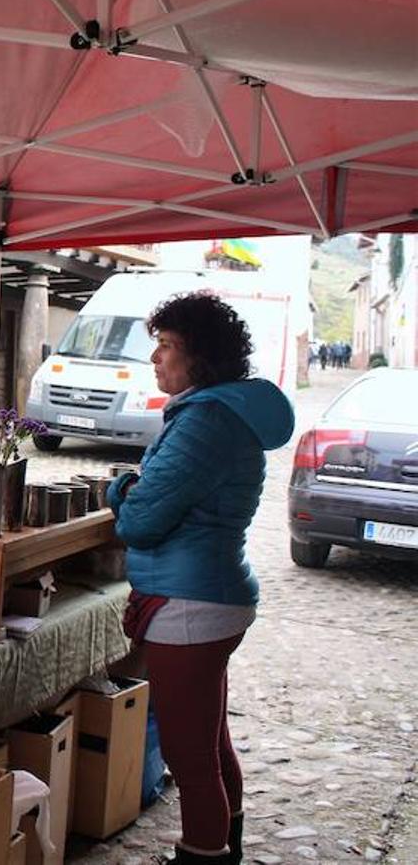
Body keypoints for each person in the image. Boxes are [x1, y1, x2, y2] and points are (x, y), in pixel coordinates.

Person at [106, 293, 293, 865]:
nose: (155, 358)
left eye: (166, 346)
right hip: (212, 594)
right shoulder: (223, 414)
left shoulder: (204, 422)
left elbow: (140, 521)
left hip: (190, 603)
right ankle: (224, 846)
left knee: (190, 758)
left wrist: (119, 490)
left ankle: (203, 854)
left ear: (201, 357)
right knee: (210, 743)